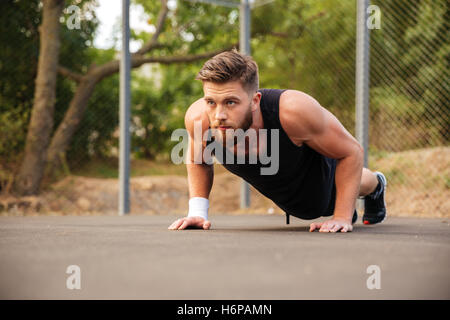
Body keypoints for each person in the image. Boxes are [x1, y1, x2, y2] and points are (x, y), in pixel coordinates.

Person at [168, 50, 387, 233]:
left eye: (231, 102)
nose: (219, 115)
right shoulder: (199, 119)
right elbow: (199, 159)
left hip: (316, 174)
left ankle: (376, 184)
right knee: (306, 207)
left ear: (255, 101)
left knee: (332, 193)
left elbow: (351, 152)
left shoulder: (293, 111)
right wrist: (197, 212)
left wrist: (342, 217)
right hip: (288, 196)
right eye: (211, 102)